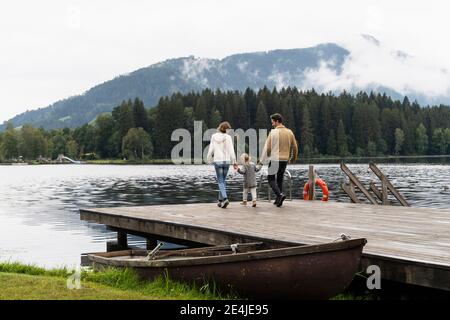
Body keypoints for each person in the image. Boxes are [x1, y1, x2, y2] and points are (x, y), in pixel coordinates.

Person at [259, 113, 298, 207]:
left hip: (274, 158)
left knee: (271, 179)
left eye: (272, 122)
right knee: (280, 179)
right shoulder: (290, 132)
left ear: (276, 121)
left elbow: (268, 148)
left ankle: (280, 195)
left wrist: (268, 156)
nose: (272, 124)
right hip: (284, 159)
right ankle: (278, 200)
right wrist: (293, 158)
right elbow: (295, 147)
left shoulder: (273, 132)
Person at [207, 121, 236, 209]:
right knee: (222, 181)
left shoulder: (214, 136)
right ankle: (220, 201)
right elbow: (231, 150)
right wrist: (234, 161)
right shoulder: (228, 137)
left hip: (218, 161)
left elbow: (211, 148)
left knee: (220, 181)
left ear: (220, 128)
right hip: (226, 162)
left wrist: (208, 159)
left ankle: (225, 198)